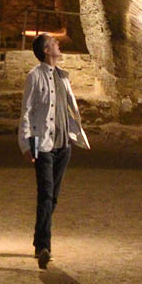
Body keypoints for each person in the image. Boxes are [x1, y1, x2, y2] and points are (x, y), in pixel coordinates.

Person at [18, 31, 90, 267]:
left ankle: (39, 238)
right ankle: (43, 247)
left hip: (63, 145)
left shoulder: (63, 76)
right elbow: (26, 112)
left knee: (53, 197)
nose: (58, 44)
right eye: (53, 42)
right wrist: (26, 144)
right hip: (42, 144)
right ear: (46, 51)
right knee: (46, 193)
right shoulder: (35, 76)